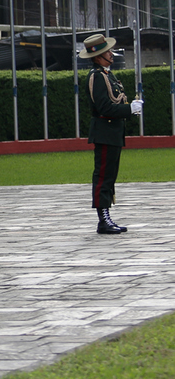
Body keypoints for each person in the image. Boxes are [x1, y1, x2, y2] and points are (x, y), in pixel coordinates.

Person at [80, 34, 142, 233]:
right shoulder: (96, 77)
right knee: (103, 176)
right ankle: (102, 219)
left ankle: (106, 216)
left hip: (113, 132)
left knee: (110, 175)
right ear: (98, 56)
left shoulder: (107, 75)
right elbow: (105, 108)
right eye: (107, 51)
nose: (111, 54)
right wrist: (129, 109)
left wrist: (129, 109)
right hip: (105, 132)